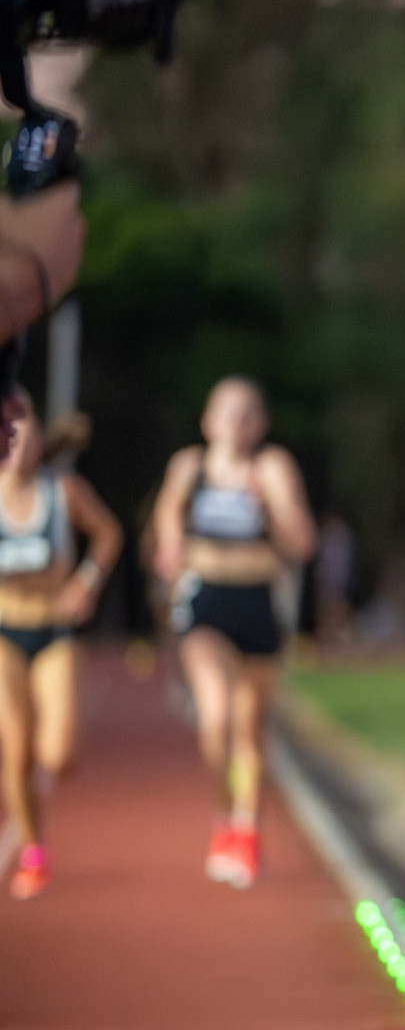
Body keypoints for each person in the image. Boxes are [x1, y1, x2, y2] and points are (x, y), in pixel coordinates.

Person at [151, 376, 316, 889]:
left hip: (258, 600)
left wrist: (270, 508)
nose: (235, 422)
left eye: (246, 413)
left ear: (260, 424)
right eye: (225, 410)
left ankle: (245, 827)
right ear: (207, 419)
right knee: (216, 718)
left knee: (249, 728)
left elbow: (301, 544)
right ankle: (225, 813)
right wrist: (170, 547)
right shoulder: (189, 466)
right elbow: (166, 516)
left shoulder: (272, 468)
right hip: (206, 600)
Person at [0, 392, 120, 898]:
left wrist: (86, 582)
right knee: (16, 748)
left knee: (58, 755)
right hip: (4, 632)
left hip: (54, 631)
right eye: (13, 441)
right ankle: (33, 850)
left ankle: (37, 813)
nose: (21, 452)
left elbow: (108, 534)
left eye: (30, 441)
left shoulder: (63, 491)